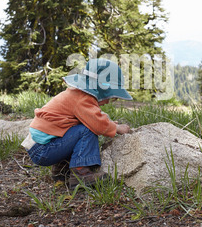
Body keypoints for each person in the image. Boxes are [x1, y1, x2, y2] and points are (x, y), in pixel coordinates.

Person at [21, 58, 131, 188]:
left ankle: (61, 172)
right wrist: (117, 128)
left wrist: (107, 122)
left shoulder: (76, 94)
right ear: (101, 87)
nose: (108, 102)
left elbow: (90, 118)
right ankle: (81, 174)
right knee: (87, 130)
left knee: (75, 131)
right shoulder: (82, 98)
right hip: (43, 150)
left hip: (40, 147)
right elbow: (97, 124)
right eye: (111, 97)